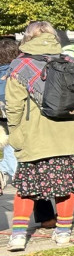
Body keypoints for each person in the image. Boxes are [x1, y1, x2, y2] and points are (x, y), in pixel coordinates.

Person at [4, 22, 74, 251]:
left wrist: (15, 134)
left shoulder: (19, 66)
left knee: (27, 187)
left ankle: (18, 235)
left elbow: (14, 107)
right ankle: (64, 232)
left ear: (28, 38)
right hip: (70, 135)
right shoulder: (67, 61)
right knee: (66, 185)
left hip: (36, 136)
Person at [0, 37, 20, 191]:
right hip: (14, 113)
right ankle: (14, 173)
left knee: (6, 143)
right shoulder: (18, 72)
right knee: (12, 144)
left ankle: (4, 169)